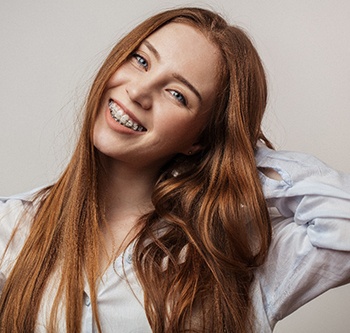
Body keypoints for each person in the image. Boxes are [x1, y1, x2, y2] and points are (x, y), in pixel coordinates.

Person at [0, 7, 349, 333]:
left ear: (199, 138)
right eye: (141, 60)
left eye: (177, 94)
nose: (138, 91)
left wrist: (232, 157)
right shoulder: (13, 228)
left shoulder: (237, 249)